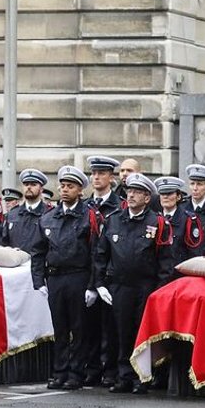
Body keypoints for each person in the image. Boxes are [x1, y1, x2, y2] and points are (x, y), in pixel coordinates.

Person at [94, 173, 174, 394]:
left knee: (142, 333)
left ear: (147, 198)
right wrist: (99, 283)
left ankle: (142, 377)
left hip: (145, 286)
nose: (131, 195)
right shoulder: (113, 219)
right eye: (129, 191)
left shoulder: (157, 223)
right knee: (121, 332)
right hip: (119, 285)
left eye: (137, 192)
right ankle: (124, 376)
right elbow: (101, 254)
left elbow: (165, 262)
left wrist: (158, 291)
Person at [30, 166, 101, 391]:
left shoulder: (89, 216)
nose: (65, 190)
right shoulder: (49, 217)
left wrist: (93, 285)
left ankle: (76, 372)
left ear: (80, 190)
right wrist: (38, 281)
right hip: (56, 278)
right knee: (59, 328)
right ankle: (59, 371)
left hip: (78, 276)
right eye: (62, 185)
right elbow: (38, 251)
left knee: (79, 329)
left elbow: (96, 252)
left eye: (70, 186)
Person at [84, 155, 123, 388]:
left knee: (109, 327)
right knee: (87, 326)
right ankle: (92, 368)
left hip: (109, 275)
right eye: (94, 173)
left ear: (111, 177)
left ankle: (110, 370)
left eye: (101, 173)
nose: (96, 177)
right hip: (85, 272)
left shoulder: (119, 206)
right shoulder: (85, 205)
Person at [155, 176, 201, 275]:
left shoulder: (188, 220)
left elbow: (193, 253)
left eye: (169, 193)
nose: (165, 197)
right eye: (162, 193)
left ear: (178, 196)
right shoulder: (154, 219)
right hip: (157, 276)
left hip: (178, 275)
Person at [2, 169, 48, 252]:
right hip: (16, 263)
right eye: (26, 184)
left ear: (41, 189)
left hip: (38, 263)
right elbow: (4, 242)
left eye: (33, 184)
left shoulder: (49, 214)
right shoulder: (12, 215)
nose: (29, 187)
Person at [183, 163, 205, 257]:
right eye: (192, 184)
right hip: (184, 263)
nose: (195, 188)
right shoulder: (181, 207)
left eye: (199, 184)